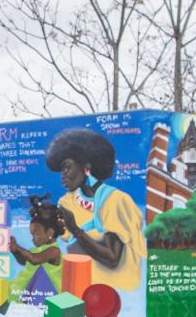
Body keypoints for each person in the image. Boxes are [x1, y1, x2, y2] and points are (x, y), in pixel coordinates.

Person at [46, 127, 145, 291]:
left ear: (86, 168)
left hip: (117, 295)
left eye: (66, 167)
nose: (62, 175)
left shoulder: (116, 201)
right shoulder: (66, 202)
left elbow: (113, 259)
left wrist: (76, 230)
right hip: (81, 290)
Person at [8, 193, 65, 304]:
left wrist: (19, 248)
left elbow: (34, 260)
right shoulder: (35, 250)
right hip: (29, 288)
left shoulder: (54, 251)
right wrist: (15, 251)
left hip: (48, 291)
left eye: (36, 234)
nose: (32, 239)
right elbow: (24, 262)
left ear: (50, 233)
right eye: (32, 235)